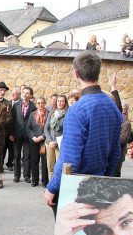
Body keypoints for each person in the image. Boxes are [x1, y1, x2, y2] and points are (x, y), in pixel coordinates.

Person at [45, 51, 123, 213]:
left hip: (77, 187)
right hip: (100, 182)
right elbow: (115, 154)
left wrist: (52, 187)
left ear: (76, 73)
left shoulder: (77, 110)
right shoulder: (113, 107)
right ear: (98, 72)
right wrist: (103, 178)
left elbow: (70, 159)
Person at [11, 86, 35, 184]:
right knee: (16, 156)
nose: (25, 95)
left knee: (27, 156)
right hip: (17, 134)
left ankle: (26, 175)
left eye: (27, 93)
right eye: (23, 93)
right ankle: (16, 175)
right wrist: (11, 133)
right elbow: (12, 120)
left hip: (27, 134)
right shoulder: (16, 105)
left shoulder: (33, 106)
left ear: (30, 95)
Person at [26, 97, 48, 187]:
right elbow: (28, 128)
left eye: (42, 103)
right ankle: (34, 180)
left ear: (45, 103)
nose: (40, 105)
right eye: (38, 103)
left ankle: (45, 181)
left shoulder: (48, 114)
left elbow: (49, 128)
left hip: (44, 141)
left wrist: (42, 136)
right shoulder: (33, 115)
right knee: (34, 161)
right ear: (36, 104)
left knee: (44, 162)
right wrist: (33, 137)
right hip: (34, 141)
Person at [43, 95, 66, 181]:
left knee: (59, 167)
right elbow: (46, 128)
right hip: (50, 143)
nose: (60, 103)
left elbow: (66, 130)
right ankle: (51, 187)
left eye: (62, 101)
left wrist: (56, 142)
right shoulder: (52, 113)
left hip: (60, 144)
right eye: (58, 101)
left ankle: (58, 188)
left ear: (65, 103)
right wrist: (49, 141)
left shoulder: (66, 114)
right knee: (50, 167)